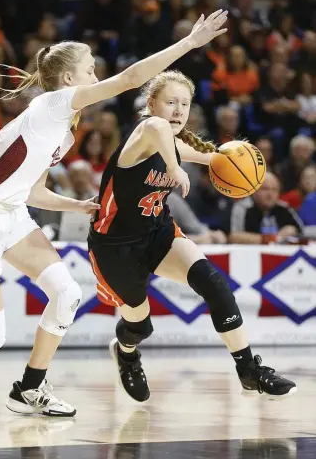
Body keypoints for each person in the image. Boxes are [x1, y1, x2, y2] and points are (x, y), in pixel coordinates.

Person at [0, 10, 230, 417]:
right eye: (90, 68)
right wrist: (189, 43)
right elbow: (130, 79)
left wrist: (76, 205)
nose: (96, 73)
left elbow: (32, 191)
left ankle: (28, 389)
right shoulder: (53, 102)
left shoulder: (63, 130)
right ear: (69, 79)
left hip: (12, 215)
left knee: (68, 293)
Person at [88, 70, 297, 404]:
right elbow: (155, 129)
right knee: (139, 327)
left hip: (158, 232)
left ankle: (249, 371)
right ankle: (126, 353)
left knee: (214, 283)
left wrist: (242, 165)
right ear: (151, 104)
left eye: (184, 103)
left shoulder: (178, 146)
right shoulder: (143, 132)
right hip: (116, 246)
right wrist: (173, 167)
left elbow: (217, 158)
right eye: (170, 102)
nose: (178, 109)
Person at [229, 172, 303, 244]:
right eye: (265, 189)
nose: (270, 194)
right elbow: (234, 237)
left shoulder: (284, 208)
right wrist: (273, 238)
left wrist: (292, 230)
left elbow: (301, 231)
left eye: (274, 190)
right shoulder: (243, 208)